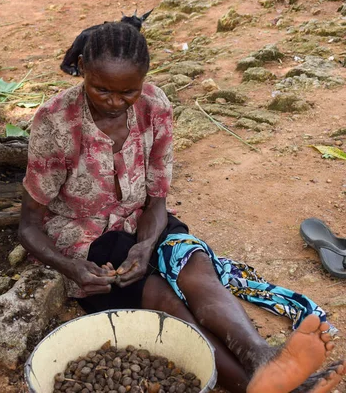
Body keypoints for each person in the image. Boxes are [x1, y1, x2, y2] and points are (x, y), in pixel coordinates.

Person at [18, 22, 345, 393]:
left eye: (128, 91)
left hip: (143, 222)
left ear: (144, 79)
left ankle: (262, 357)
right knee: (161, 295)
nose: (113, 101)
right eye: (101, 88)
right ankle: (257, 385)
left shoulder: (155, 106)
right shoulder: (55, 121)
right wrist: (71, 268)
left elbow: (157, 200)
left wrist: (146, 244)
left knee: (193, 267)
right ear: (82, 69)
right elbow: (28, 226)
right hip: (84, 238)